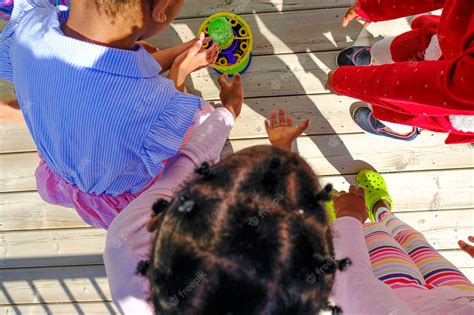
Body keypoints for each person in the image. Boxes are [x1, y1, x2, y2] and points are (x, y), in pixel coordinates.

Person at [104, 108, 473, 314]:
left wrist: (344, 220)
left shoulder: (124, 243)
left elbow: (341, 273)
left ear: (160, 217)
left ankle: (379, 216)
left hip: (413, 295)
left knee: (395, 243)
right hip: (449, 293)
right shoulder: (122, 246)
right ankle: (382, 213)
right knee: (409, 243)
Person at [0, 0, 225, 229]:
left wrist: (176, 56)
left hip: (65, 155)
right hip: (121, 189)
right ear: (162, 7)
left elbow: (113, 72)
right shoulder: (156, 108)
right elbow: (160, 113)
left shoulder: (29, 28)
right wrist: (179, 71)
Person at [326, 0, 474, 144]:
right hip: (442, 43)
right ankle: (375, 60)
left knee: (388, 108)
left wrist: (345, 82)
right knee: (386, 49)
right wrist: (373, 8)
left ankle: (404, 132)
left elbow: (413, 88)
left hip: (445, 107)